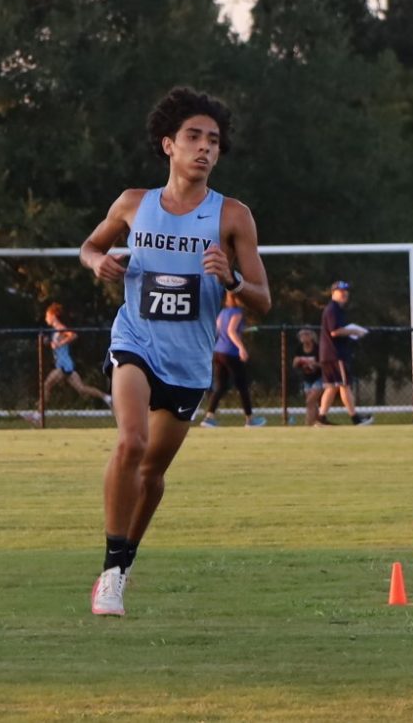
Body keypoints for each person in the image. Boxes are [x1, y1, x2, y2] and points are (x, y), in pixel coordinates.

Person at [80, 86, 269, 616]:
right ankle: (111, 572)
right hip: (135, 340)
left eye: (213, 140)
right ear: (168, 144)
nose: (205, 147)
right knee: (131, 443)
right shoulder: (132, 204)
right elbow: (90, 246)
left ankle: (125, 559)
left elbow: (263, 300)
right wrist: (98, 263)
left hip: (189, 362)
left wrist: (231, 278)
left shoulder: (232, 216)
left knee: (152, 475)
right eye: (193, 137)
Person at [199, 292, 265, 427]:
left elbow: (217, 330)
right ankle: (250, 419)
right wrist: (241, 348)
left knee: (221, 386)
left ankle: (209, 417)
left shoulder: (223, 312)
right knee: (242, 386)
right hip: (231, 353)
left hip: (219, 352)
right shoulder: (237, 312)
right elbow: (231, 331)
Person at [316, 281, 372, 426]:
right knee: (344, 385)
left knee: (332, 387)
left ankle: (321, 418)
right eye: (341, 291)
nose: (344, 293)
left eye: (346, 291)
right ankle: (355, 418)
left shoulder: (336, 310)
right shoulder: (333, 309)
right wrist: (354, 331)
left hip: (328, 354)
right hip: (335, 354)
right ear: (333, 293)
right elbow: (335, 331)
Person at [40, 302, 113, 410]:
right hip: (64, 364)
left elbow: (73, 335)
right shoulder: (54, 331)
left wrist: (60, 343)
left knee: (46, 384)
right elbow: (55, 344)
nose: (46, 318)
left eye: (47, 316)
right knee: (81, 388)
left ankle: (39, 414)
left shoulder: (60, 327)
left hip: (63, 365)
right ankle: (107, 397)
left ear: (53, 316)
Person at [292, 327, 323, 425]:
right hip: (307, 379)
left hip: (319, 378)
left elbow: (324, 364)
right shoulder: (299, 348)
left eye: (306, 334)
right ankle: (318, 422)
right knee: (312, 403)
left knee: (309, 401)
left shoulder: (318, 348)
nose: (304, 337)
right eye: (302, 335)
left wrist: (314, 364)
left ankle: (308, 424)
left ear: (312, 336)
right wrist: (297, 362)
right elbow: (294, 364)